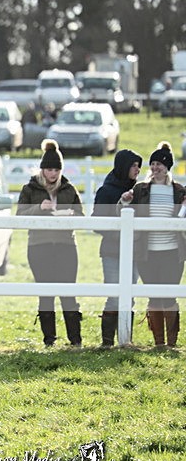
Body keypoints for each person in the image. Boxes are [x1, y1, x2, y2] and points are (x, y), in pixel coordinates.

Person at [17, 139, 84, 346]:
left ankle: (75, 340)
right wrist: (39, 208)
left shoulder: (69, 189)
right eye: (49, 169)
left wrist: (71, 215)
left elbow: (82, 216)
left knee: (68, 293)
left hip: (66, 246)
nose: (53, 174)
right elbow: (19, 216)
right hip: (39, 246)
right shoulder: (30, 189)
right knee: (45, 294)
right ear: (42, 169)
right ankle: (49, 340)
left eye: (56, 169)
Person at [119, 141, 186, 346]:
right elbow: (122, 213)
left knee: (170, 296)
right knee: (154, 297)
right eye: (153, 164)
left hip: (172, 252)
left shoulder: (178, 191)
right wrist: (124, 201)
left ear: (167, 167)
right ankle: (159, 343)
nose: (155, 168)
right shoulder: (141, 189)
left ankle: (172, 343)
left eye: (160, 164)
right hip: (147, 253)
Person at [92, 148, 142, 346]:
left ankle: (126, 340)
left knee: (130, 296)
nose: (137, 169)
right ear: (123, 166)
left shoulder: (140, 191)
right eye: (133, 165)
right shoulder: (106, 191)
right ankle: (107, 342)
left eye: (138, 166)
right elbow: (97, 223)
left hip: (134, 252)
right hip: (112, 251)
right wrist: (119, 233)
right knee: (114, 295)